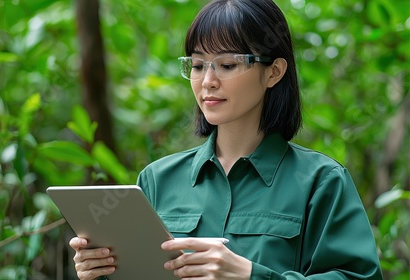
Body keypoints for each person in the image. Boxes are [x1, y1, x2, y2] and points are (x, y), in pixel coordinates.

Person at [69, 0, 383, 279]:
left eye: (227, 65)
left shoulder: (321, 181)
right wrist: (102, 271)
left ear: (273, 72)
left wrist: (251, 275)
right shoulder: (157, 180)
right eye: (198, 64)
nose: (208, 81)